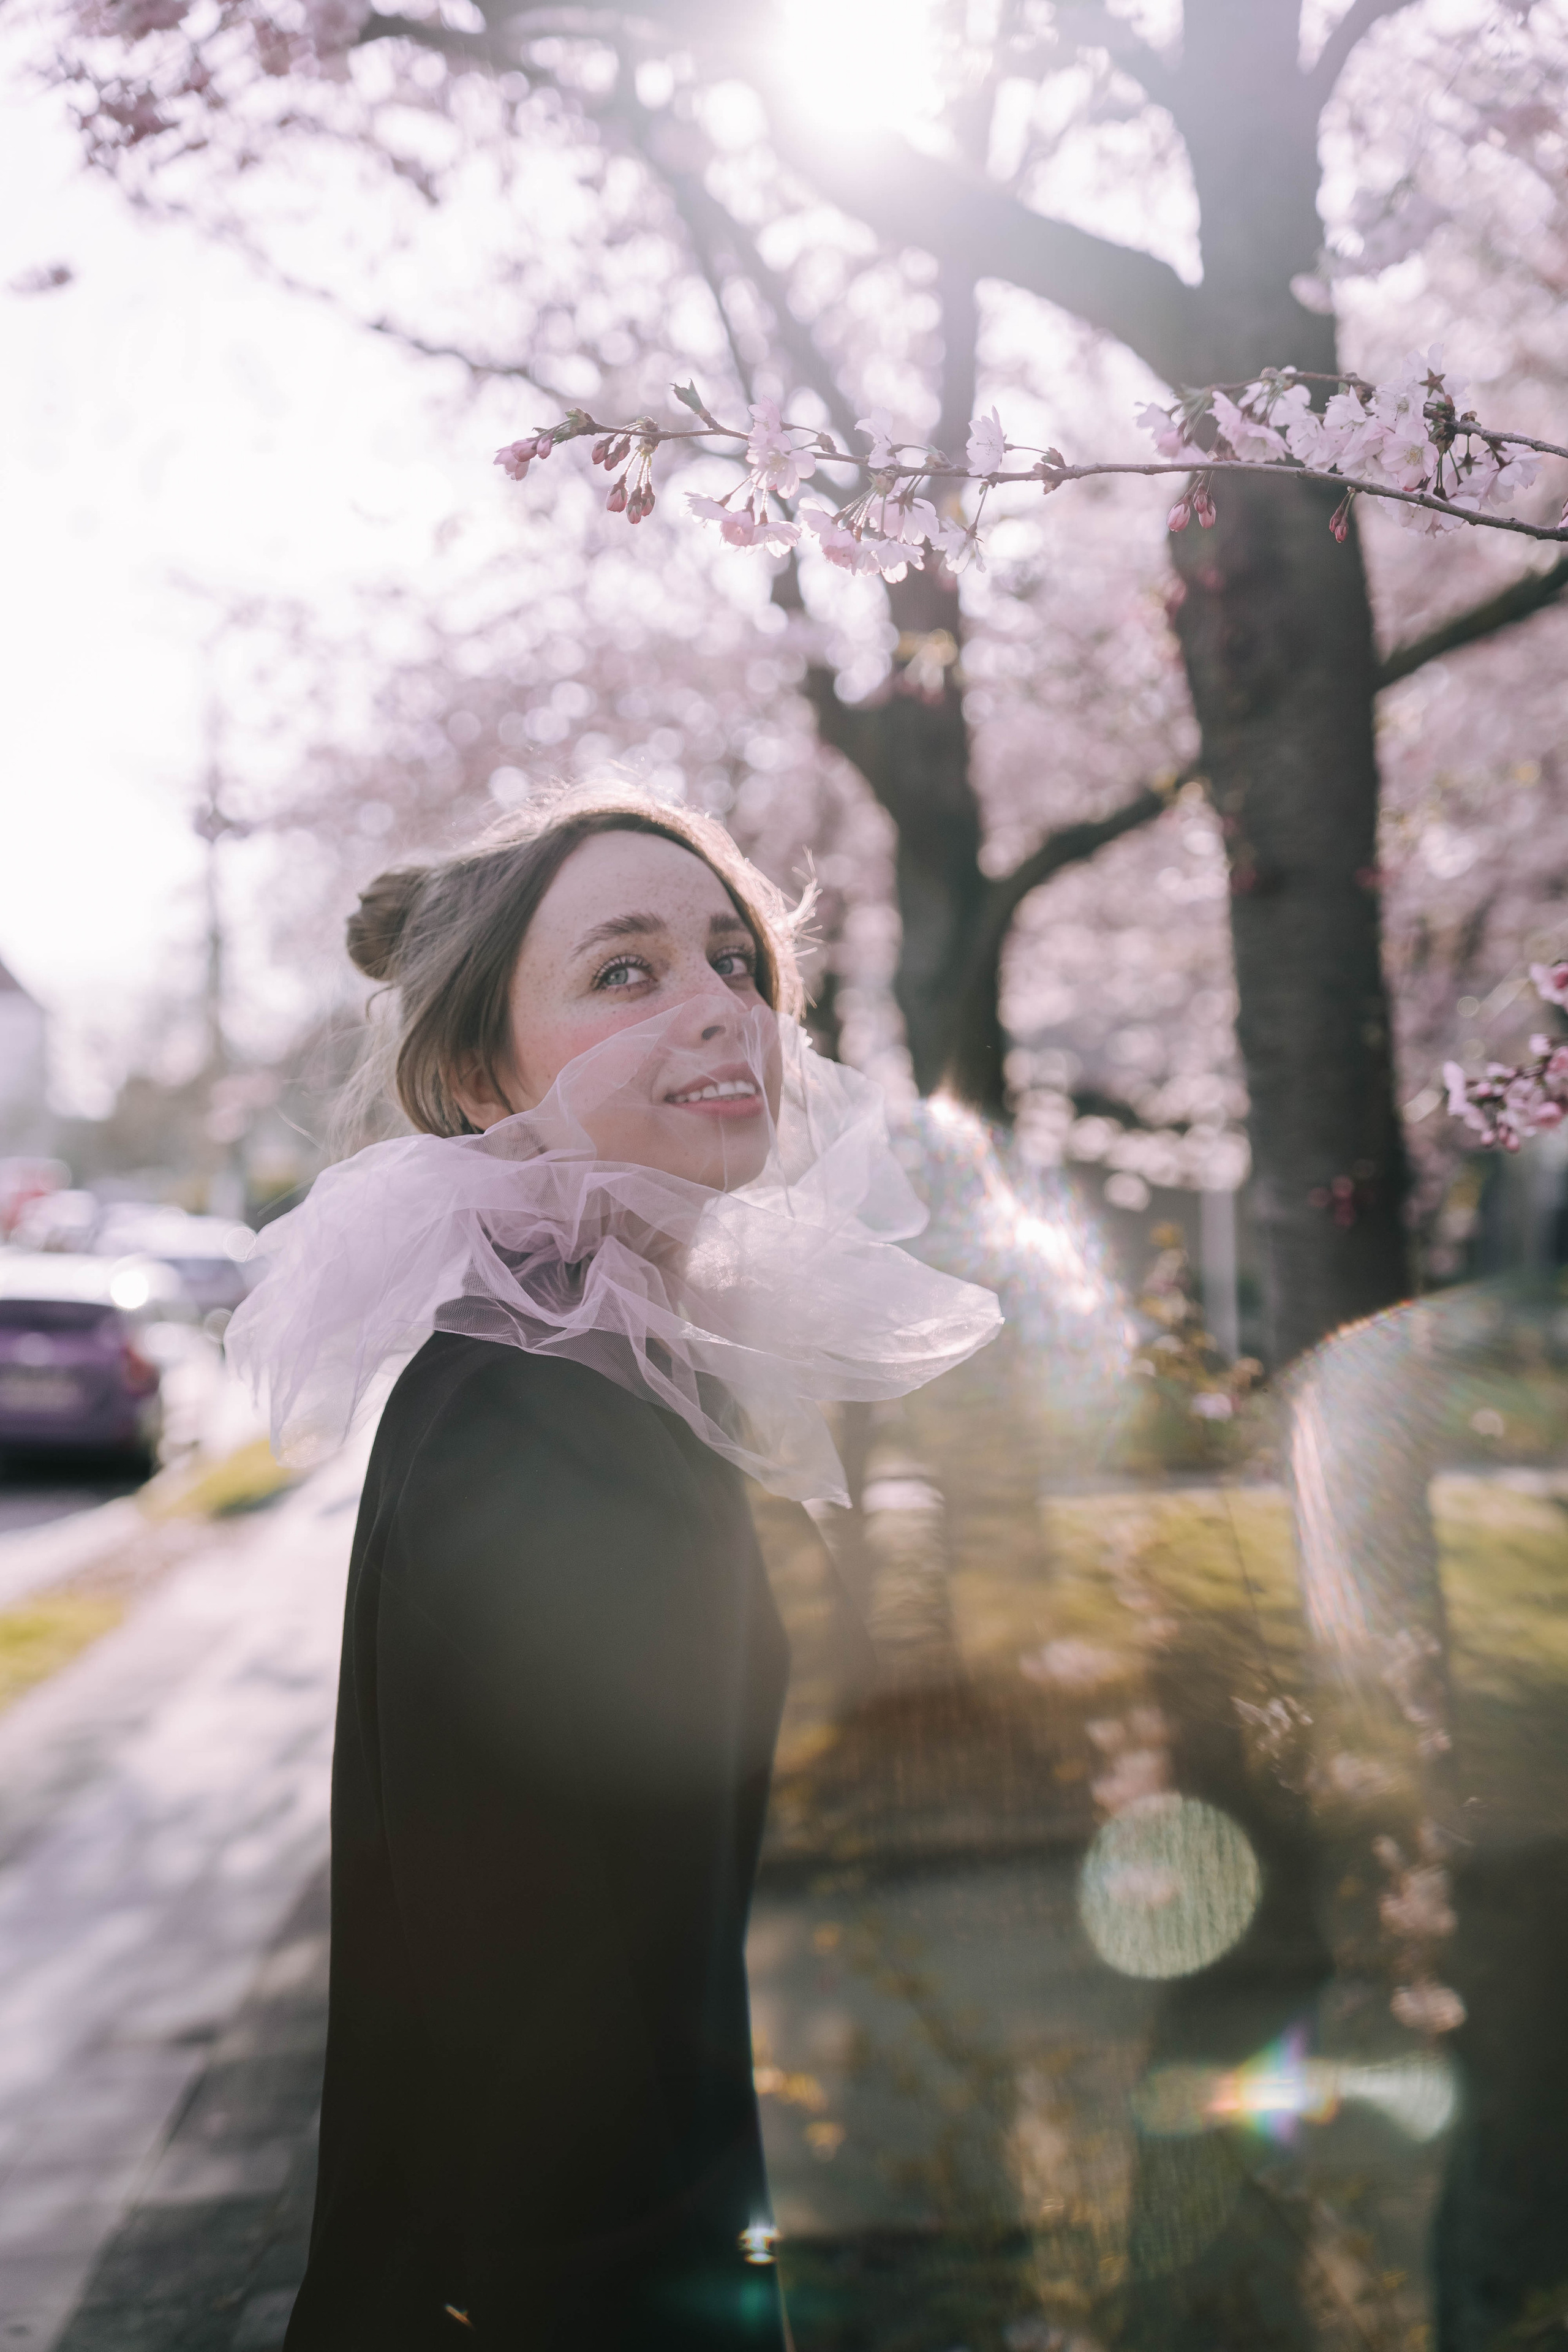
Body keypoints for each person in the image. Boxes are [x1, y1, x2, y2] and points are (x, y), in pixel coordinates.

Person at [227, 788, 1000, 2348]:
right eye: (624, 972)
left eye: (734, 960)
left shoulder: (595, 1369)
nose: (720, 1011)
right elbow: (535, 2007)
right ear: (473, 1075)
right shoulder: (532, 1420)